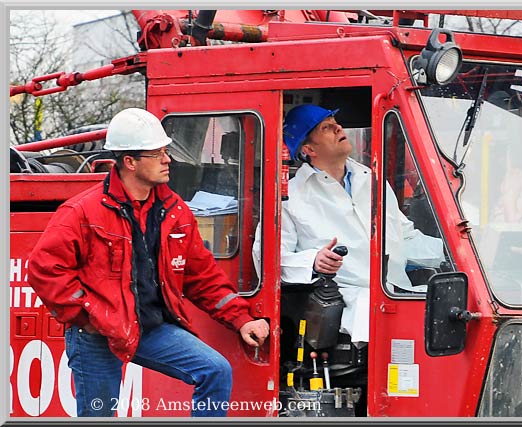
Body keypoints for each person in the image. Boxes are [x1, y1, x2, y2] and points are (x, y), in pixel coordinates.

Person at [27, 108, 269, 417]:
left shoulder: (175, 210)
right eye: (157, 154)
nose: (168, 160)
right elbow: (44, 268)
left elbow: (201, 275)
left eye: (166, 152)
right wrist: (87, 315)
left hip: (151, 329)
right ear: (130, 161)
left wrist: (241, 319)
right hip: (97, 334)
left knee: (215, 371)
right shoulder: (81, 212)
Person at [252, 104, 444, 345]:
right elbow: (267, 259)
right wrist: (313, 261)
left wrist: (453, 253)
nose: (338, 128)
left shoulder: (371, 179)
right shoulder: (290, 197)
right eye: (326, 127)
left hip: (397, 296)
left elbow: (404, 237)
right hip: (350, 309)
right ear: (308, 148)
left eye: (335, 121)